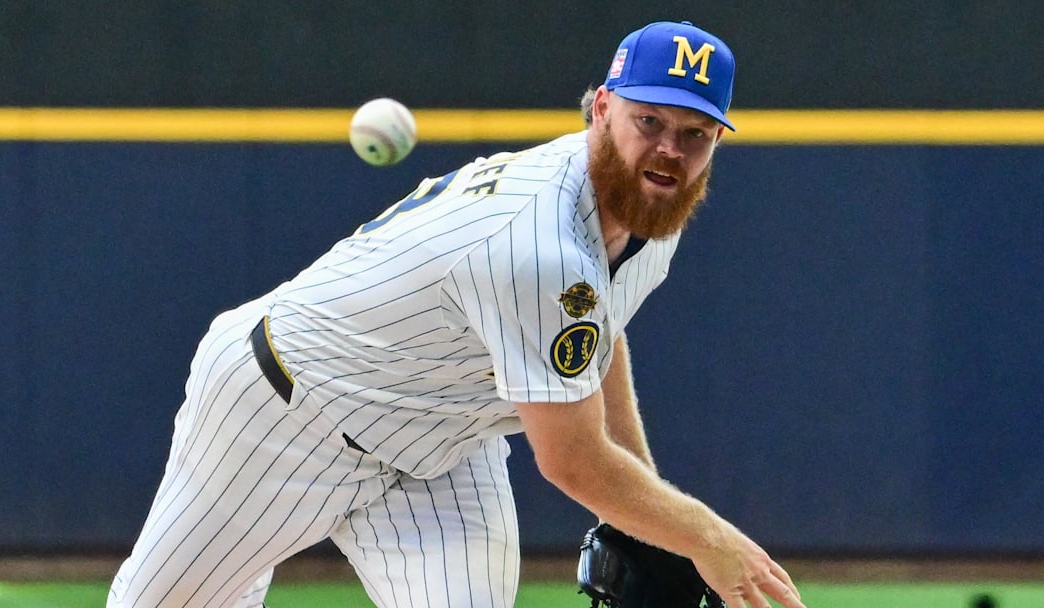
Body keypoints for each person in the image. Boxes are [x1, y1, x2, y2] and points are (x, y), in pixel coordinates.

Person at [108, 20, 806, 608]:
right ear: (599, 109)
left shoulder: (654, 210)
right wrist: (702, 536)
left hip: (441, 445)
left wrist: (646, 510)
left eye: (694, 133)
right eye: (648, 120)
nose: (669, 149)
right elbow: (571, 461)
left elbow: (598, 331)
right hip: (284, 411)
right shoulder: (538, 242)